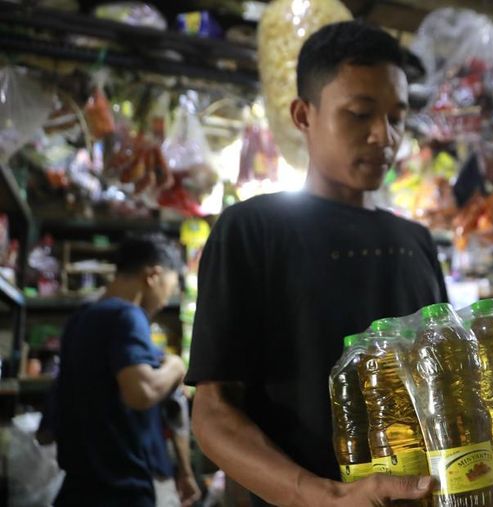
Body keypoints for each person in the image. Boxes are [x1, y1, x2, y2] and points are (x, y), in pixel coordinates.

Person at [187, 21, 447, 507]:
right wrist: (325, 497)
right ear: (303, 115)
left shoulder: (416, 241)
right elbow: (213, 411)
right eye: (360, 114)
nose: (383, 136)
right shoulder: (253, 230)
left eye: (396, 117)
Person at [53, 234, 201, 507]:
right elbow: (140, 393)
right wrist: (177, 366)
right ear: (153, 275)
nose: (165, 299)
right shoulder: (127, 315)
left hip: (77, 486)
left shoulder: (80, 319)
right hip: (121, 489)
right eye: (169, 288)